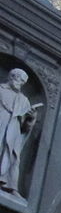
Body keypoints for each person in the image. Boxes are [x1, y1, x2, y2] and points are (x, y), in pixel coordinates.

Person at [0, 69, 40, 197]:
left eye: (23, 82)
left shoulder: (23, 100)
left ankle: (10, 186)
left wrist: (31, 117)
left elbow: (25, 128)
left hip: (13, 132)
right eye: (20, 80)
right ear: (12, 76)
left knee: (13, 156)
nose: (21, 84)